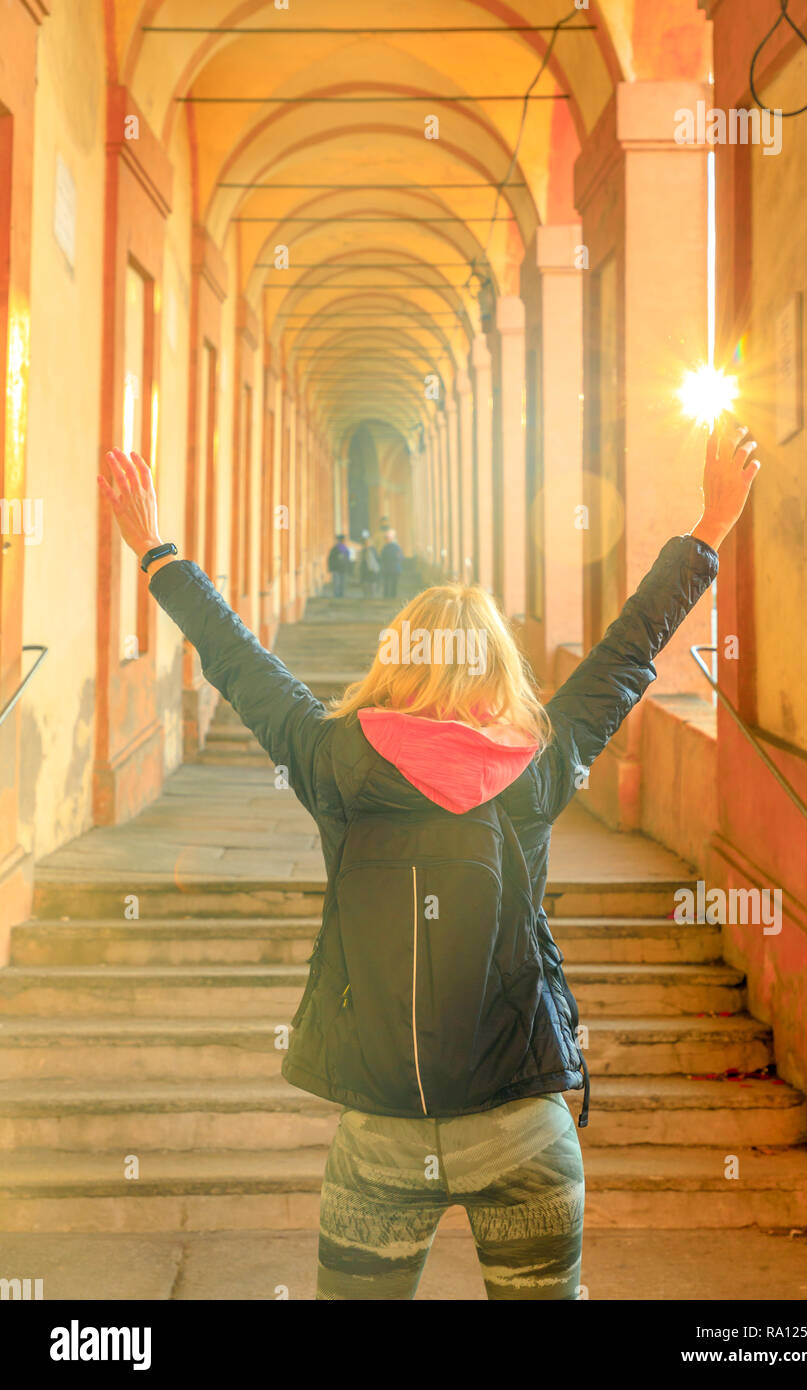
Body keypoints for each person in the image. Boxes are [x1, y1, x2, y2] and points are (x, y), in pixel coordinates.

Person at [97, 415, 759, 1300]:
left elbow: (237, 662)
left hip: (382, 1130)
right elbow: (629, 653)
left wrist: (155, 552)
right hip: (524, 1120)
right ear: (495, 672)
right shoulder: (538, 761)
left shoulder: (335, 759)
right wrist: (709, 529)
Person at [379, 528, 403, 599]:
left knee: (388, 583)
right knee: (392, 583)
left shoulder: (386, 548)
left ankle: (387, 596)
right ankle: (392, 596)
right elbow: (400, 557)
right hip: (394, 568)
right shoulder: (396, 547)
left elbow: (382, 558)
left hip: (389, 568)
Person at [326, 534, 350, 598]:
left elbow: (330, 559)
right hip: (339, 568)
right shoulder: (344, 549)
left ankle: (339, 595)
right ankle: (339, 595)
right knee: (339, 583)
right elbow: (331, 559)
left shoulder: (336, 549)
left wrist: (330, 567)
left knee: (339, 583)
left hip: (339, 568)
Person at [358, 529, 380, 599]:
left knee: (372, 584)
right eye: (365, 542)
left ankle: (372, 597)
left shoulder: (372, 550)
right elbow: (360, 561)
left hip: (372, 570)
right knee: (365, 584)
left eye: (367, 542)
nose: (366, 543)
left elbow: (376, 560)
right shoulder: (362, 551)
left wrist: (376, 568)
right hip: (364, 570)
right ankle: (366, 597)